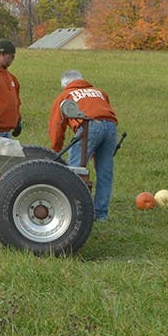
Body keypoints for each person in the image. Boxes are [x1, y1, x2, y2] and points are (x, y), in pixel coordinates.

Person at [48, 70, 119, 222]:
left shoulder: (65, 96)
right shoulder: (99, 92)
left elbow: (57, 126)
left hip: (88, 127)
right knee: (105, 172)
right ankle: (101, 215)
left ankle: (73, 212)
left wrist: (55, 150)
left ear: (65, 85)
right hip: (111, 126)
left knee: (74, 173)